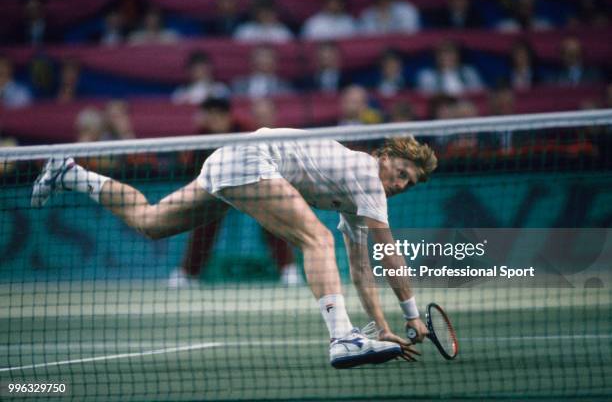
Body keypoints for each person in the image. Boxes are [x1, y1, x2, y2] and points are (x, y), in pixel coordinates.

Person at [31, 127, 435, 368]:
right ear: (384, 157)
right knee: (317, 239)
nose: (400, 184)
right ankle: (342, 337)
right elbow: (390, 254)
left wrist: (383, 329)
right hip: (253, 159)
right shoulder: (366, 174)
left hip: (229, 160)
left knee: (150, 223)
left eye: (409, 183)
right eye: (400, 173)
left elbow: (363, 268)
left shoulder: (358, 197)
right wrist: (412, 315)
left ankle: (70, 173)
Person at [169, 98, 302, 288]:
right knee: (204, 223)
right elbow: (192, 168)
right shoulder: (201, 137)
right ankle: (187, 273)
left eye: (218, 115)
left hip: (251, 187)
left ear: (227, 116)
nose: (214, 120)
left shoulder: (244, 131)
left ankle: (288, 269)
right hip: (218, 190)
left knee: (272, 218)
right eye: (210, 115)